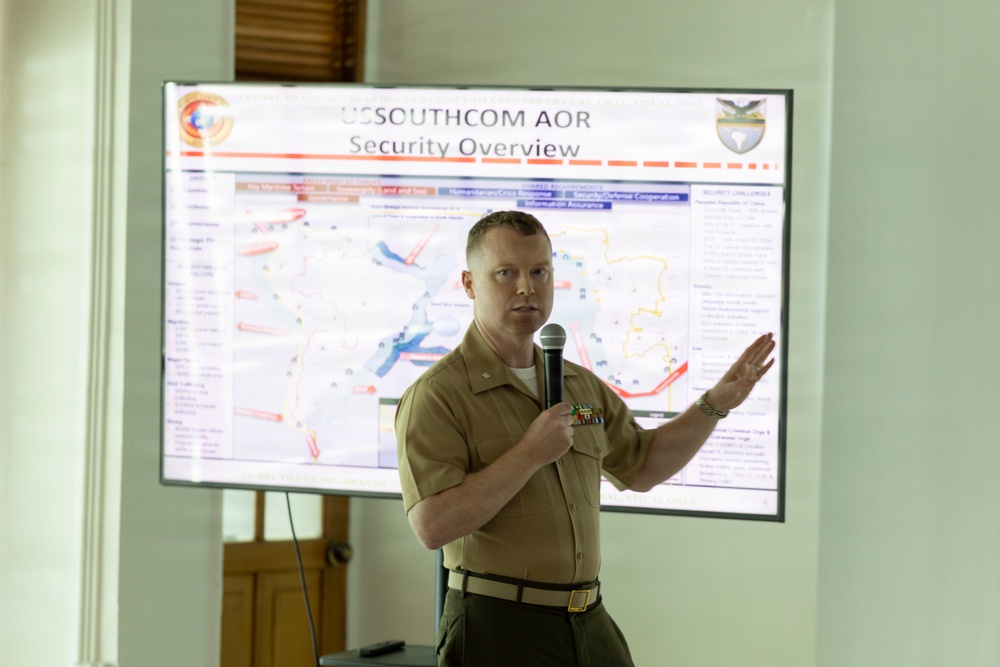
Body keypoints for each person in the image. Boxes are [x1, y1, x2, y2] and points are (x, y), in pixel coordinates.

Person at [395, 210, 774, 666]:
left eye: (539, 272)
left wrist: (715, 404)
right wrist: (529, 454)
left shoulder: (578, 385)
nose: (526, 288)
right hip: (498, 626)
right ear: (469, 283)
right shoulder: (438, 395)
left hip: (588, 622)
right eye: (505, 273)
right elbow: (433, 525)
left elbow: (643, 465)